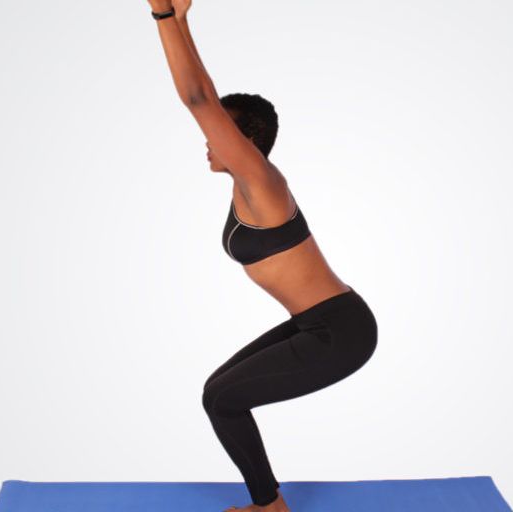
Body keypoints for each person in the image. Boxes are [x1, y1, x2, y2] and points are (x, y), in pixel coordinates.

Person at [147, 2, 378, 510]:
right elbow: (205, 99)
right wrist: (182, 19)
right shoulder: (247, 187)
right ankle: (269, 501)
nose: (207, 141)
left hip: (340, 331)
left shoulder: (263, 182)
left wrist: (163, 17)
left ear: (245, 142)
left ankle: (269, 506)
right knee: (217, 391)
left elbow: (197, 97)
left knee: (222, 399)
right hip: (315, 323)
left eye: (218, 133)